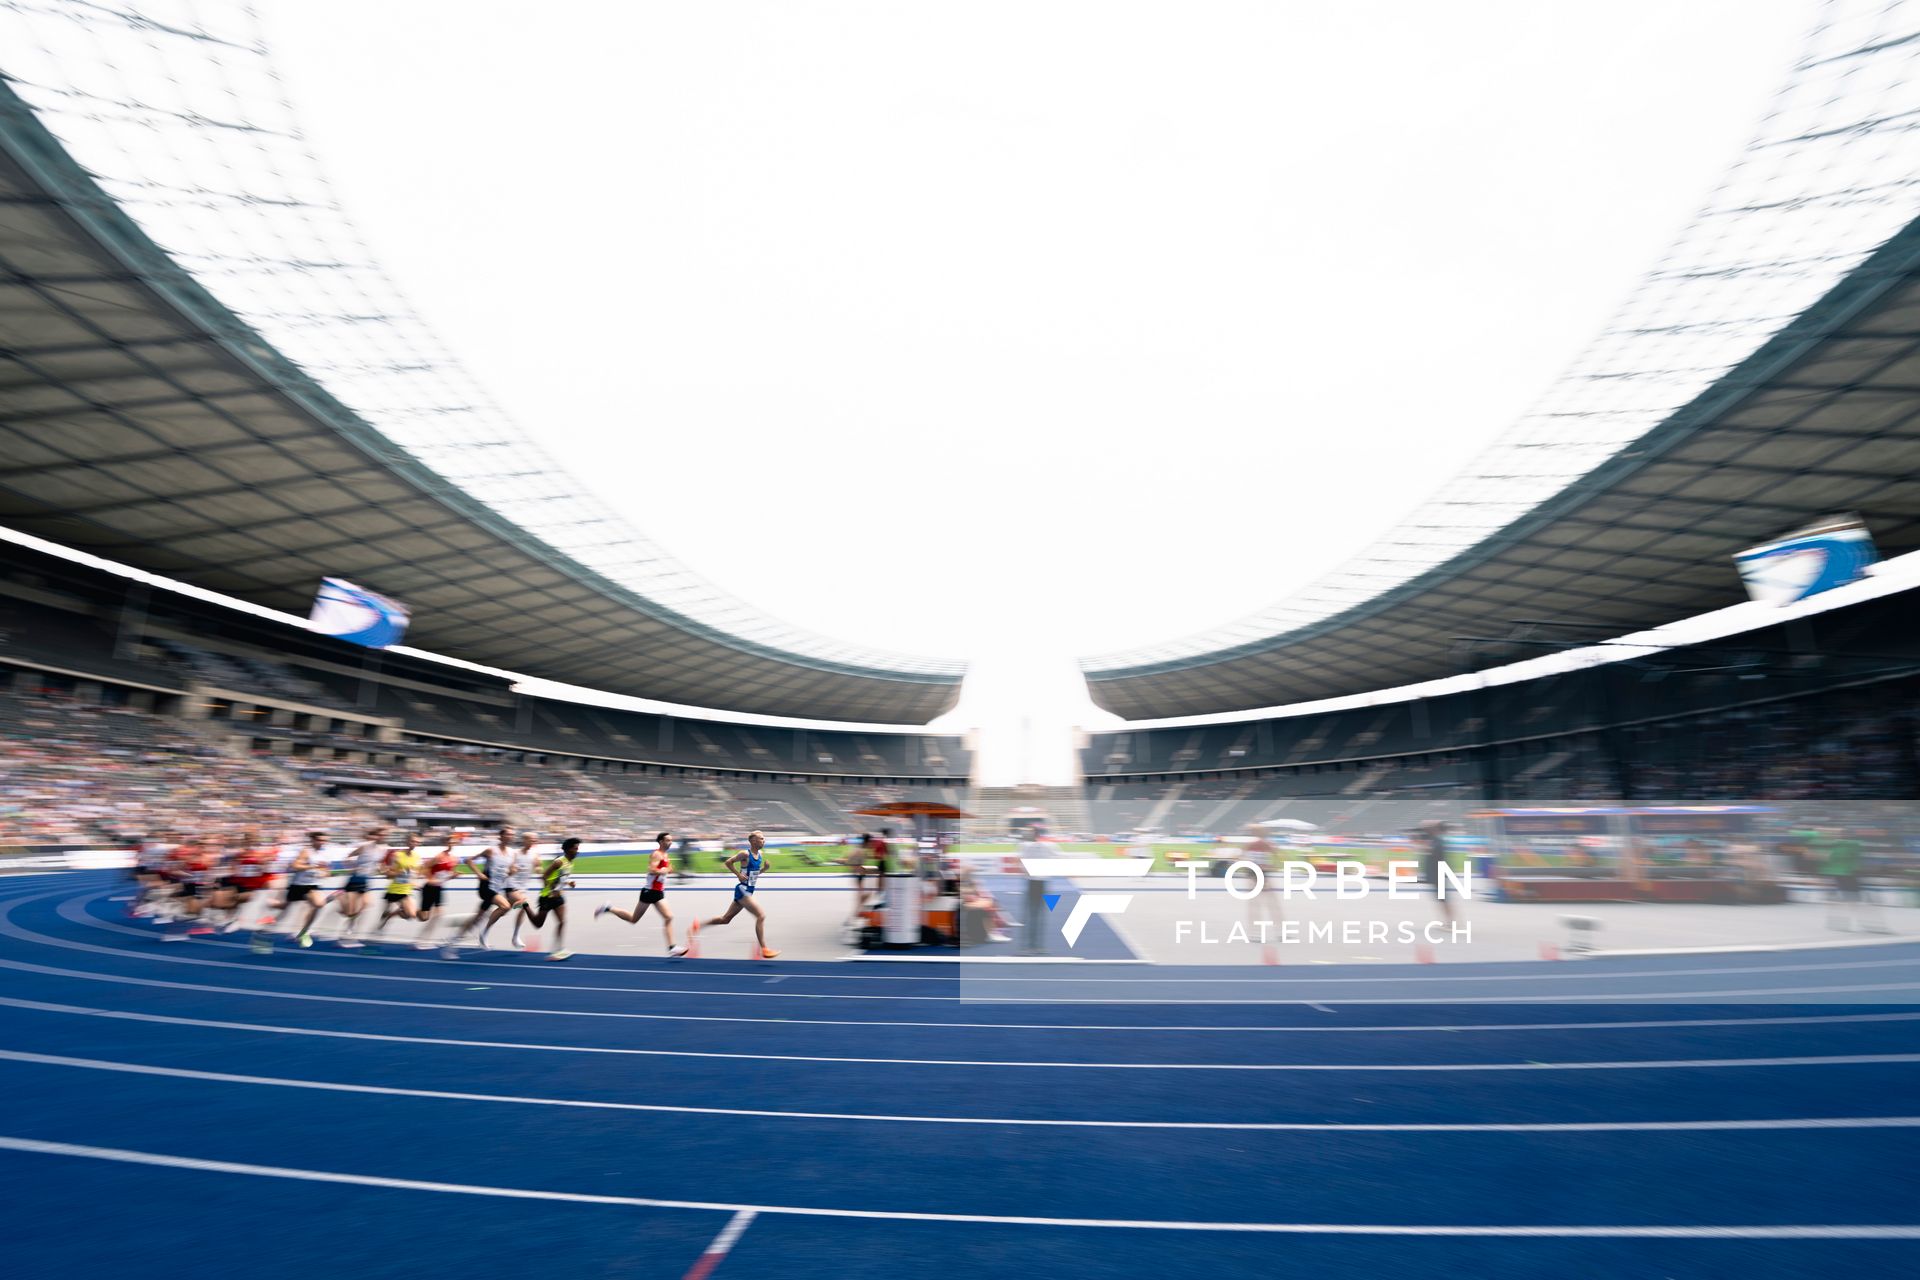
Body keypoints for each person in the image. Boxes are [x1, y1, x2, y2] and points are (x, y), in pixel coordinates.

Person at [689, 830, 779, 958]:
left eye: (764, 838)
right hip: (742, 889)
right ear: (753, 841)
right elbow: (728, 862)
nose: (763, 840)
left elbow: (754, 874)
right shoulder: (744, 854)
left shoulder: (760, 854)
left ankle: (698, 925)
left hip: (749, 890)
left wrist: (764, 869)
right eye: (761, 838)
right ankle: (764, 949)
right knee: (761, 916)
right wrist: (738, 874)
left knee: (725, 920)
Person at [596, 830, 682, 954]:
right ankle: (608, 908)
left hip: (658, 892)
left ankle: (672, 948)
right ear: (661, 842)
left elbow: (661, 871)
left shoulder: (665, 855)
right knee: (633, 919)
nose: (670, 842)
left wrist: (668, 870)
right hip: (649, 891)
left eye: (671, 840)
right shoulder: (657, 854)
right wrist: (666, 870)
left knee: (669, 917)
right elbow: (652, 870)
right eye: (668, 840)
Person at [440, 826, 517, 955]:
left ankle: (452, 942)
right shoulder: (491, 851)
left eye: (512, 835)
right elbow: (469, 860)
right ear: (501, 836)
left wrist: (512, 871)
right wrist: (478, 874)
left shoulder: (512, 853)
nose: (511, 837)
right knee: (505, 906)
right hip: (485, 886)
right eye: (508, 834)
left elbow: (509, 870)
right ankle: (485, 932)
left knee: (477, 918)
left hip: (497, 888)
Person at [515, 837, 581, 961]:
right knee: (537, 924)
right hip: (547, 897)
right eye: (575, 849)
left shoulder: (570, 862)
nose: (577, 851)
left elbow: (561, 878)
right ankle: (525, 905)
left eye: (578, 849)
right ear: (567, 850)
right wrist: (551, 891)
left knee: (562, 921)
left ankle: (558, 950)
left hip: (559, 897)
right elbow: (544, 876)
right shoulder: (558, 862)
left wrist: (569, 882)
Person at [333, 825, 388, 948]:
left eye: (385, 835)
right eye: (381, 835)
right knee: (351, 912)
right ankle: (346, 934)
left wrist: (384, 871)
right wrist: (352, 866)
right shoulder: (365, 847)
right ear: (376, 836)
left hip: (366, 881)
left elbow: (378, 864)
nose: (383, 837)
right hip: (354, 880)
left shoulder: (382, 849)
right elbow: (347, 857)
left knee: (366, 905)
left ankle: (350, 931)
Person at [280, 831, 333, 949]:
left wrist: (324, 873)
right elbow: (295, 866)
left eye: (324, 840)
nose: (322, 842)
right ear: (313, 840)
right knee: (283, 908)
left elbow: (327, 871)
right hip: (298, 885)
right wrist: (313, 867)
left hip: (313, 885)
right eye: (319, 840)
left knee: (318, 904)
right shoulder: (306, 852)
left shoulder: (324, 855)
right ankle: (268, 926)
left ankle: (304, 931)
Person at [411, 831, 464, 948]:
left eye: (454, 842)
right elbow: (424, 867)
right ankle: (412, 909)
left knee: (439, 915)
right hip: (429, 888)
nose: (452, 844)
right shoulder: (439, 856)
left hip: (439, 888)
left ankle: (422, 941)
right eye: (450, 842)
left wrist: (453, 876)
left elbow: (446, 876)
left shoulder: (454, 859)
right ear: (445, 843)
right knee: (424, 918)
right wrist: (429, 879)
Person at [373, 831, 424, 938]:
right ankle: (380, 927)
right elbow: (387, 875)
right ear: (407, 841)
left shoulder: (417, 857)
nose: (414, 844)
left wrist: (416, 884)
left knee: (410, 915)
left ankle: (391, 915)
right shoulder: (397, 855)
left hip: (405, 891)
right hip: (393, 889)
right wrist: (398, 873)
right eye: (412, 841)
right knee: (385, 911)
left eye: (416, 842)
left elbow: (413, 875)